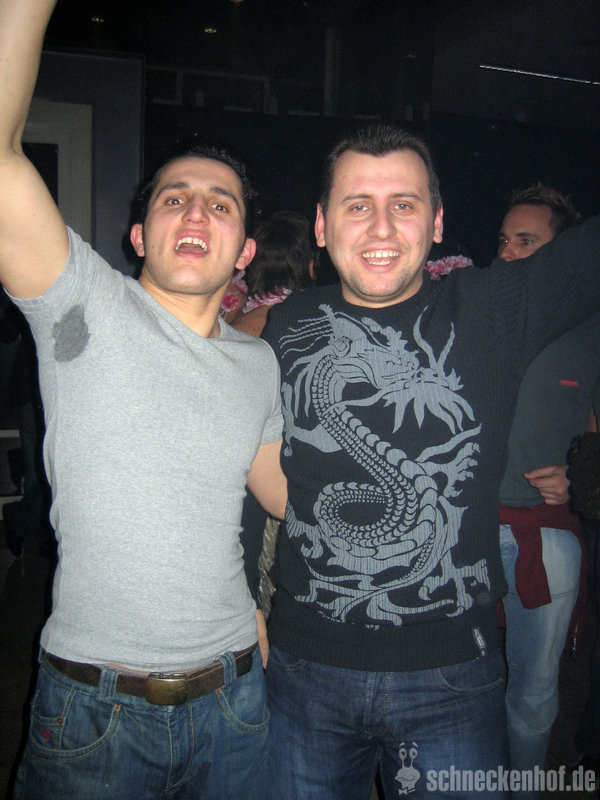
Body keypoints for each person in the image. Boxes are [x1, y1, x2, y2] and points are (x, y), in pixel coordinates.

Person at [260, 123, 600, 800]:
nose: (381, 226)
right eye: (358, 204)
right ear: (323, 226)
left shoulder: (491, 307)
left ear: (437, 222)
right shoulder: (288, 321)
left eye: (404, 204)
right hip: (304, 669)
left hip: (452, 676)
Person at [0, 2, 287, 799]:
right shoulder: (82, 302)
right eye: (174, 198)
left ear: (245, 251)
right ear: (138, 236)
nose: (196, 212)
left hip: (235, 698)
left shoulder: (258, 362)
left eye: (220, 204)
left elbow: (284, 496)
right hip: (92, 712)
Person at [496, 185, 600, 792]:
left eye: (526, 241)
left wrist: (582, 473)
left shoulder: (590, 329)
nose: (508, 252)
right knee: (464, 683)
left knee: (534, 692)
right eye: (504, 240)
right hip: (461, 531)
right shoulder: (481, 315)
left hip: (544, 534)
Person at [234, 210, 315, 619]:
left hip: (244, 490)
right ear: (309, 266)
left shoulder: (230, 324)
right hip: (292, 487)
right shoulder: (312, 325)